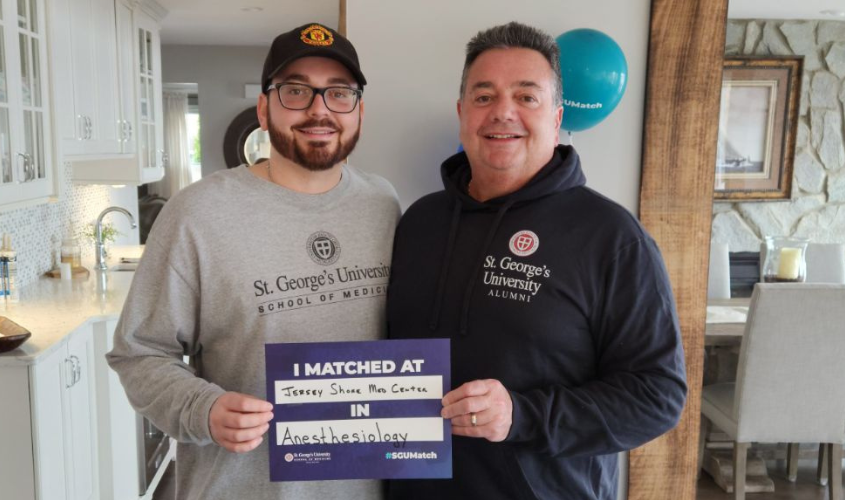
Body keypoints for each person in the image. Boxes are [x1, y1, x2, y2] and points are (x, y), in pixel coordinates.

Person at [386, 22, 686, 500]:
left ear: (557, 115)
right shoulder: (419, 221)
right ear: (462, 112)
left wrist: (522, 415)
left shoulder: (611, 237)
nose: (502, 112)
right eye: (484, 97)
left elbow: (658, 397)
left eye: (527, 97)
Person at [108, 22, 400, 500]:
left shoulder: (384, 203)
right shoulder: (198, 212)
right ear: (264, 108)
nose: (318, 110)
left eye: (338, 93)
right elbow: (138, 353)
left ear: (359, 111)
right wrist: (205, 408)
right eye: (295, 91)